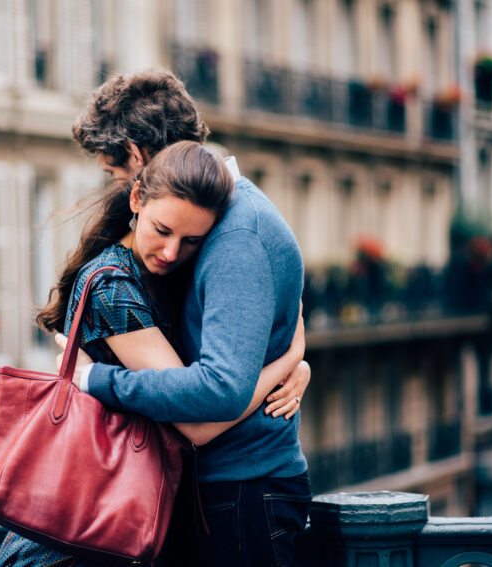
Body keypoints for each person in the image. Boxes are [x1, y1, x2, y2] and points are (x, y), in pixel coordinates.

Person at [0, 141, 309, 567]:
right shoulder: (114, 287)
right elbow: (199, 424)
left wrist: (294, 363)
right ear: (137, 198)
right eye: (162, 230)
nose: (172, 251)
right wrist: (288, 358)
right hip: (81, 536)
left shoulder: (161, 273)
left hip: (119, 520)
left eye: (191, 240)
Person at [63, 70, 312, 567]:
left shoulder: (236, 234)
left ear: (136, 158)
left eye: (114, 174)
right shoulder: (222, 222)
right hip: (219, 490)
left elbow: (210, 404)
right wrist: (290, 359)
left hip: (241, 493)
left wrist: (95, 380)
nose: (118, 190)